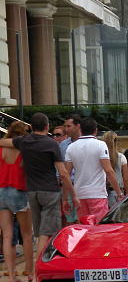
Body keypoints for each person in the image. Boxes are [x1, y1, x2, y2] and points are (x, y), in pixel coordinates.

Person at [0, 113, 78, 265]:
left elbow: (4, 142)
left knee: (37, 232)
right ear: (47, 126)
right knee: (46, 233)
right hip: (49, 191)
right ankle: (39, 269)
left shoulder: (24, 141)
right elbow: (63, 173)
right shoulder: (51, 144)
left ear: (31, 127)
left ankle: (33, 269)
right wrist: (73, 195)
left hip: (31, 192)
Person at [64, 117, 123, 222]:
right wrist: (119, 193)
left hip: (80, 194)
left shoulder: (71, 147)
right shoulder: (100, 145)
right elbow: (109, 171)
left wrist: (65, 198)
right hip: (97, 193)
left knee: (85, 229)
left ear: (80, 129)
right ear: (95, 130)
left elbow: (66, 174)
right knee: (99, 229)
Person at [0, 122, 34, 282]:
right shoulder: (24, 149)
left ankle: (12, 277)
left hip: (2, 191)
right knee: (27, 235)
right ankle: (30, 274)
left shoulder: (1, 148)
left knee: (7, 235)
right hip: (19, 189)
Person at [102, 131, 128, 208]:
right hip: (118, 192)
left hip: (104, 192)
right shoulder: (121, 157)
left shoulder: (102, 158)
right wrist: (126, 194)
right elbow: (126, 179)